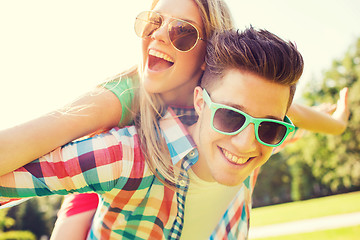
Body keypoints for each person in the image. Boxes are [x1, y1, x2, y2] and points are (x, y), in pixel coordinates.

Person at [0, 0, 349, 239]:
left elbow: (289, 113)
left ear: (209, 55)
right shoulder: (119, 109)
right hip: (110, 177)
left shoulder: (250, 113)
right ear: (202, 101)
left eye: (183, 32)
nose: (159, 36)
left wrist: (335, 122)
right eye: (152, 22)